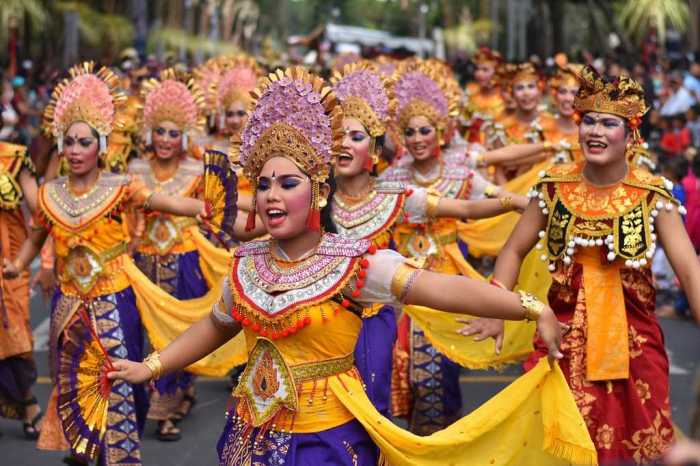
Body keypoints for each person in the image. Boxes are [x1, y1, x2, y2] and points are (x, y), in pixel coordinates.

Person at [107, 66, 595, 466]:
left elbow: (444, 289)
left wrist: (531, 307)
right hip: (250, 437)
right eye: (266, 184)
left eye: (289, 184)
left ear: (318, 191)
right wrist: (150, 366)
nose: (274, 196)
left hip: (327, 443)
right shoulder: (248, 263)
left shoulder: (354, 264)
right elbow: (215, 327)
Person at [490, 66, 700, 464]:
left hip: (635, 348)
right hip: (561, 339)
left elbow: (690, 270)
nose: (595, 132)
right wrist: (496, 305)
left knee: (633, 451)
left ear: (630, 135)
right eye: (588, 121)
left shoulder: (652, 196)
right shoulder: (552, 188)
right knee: (558, 446)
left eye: (608, 123)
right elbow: (513, 250)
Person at [1, 62, 208, 465]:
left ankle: (119, 454)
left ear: (100, 144)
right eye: (69, 142)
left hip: (114, 299)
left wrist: (209, 207)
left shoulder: (122, 188)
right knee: (72, 377)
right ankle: (83, 445)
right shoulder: (49, 194)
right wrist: (18, 264)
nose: (75, 151)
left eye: (84, 142)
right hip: (68, 302)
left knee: (116, 378)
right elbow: (37, 236)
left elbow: (167, 203)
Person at [129, 69, 212, 441]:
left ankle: (166, 410)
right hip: (144, 264)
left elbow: (214, 211)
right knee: (148, 337)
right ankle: (157, 401)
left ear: (185, 136)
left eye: (172, 133)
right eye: (159, 131)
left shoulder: (198, 171)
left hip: (184, 263)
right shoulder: (134, 170)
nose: (164, 140)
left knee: (179, 334)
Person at [0, 136, 41, 439]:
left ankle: (29, 403)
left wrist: (48, 259)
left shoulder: (14, 157)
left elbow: (42, 212)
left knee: (14, 333)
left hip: (10, 264)